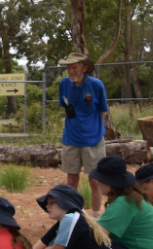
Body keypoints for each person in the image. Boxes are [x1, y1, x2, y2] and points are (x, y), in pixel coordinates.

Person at [58, 53, 109, 218]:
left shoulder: (96, 85)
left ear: (84, 68)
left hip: (92, 139)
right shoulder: (64, 84)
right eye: (68, 68)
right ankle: (74, 216)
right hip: (71, 138)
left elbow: (103, 111)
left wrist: (93, 129)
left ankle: (95, 217)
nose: (71, 71)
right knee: (71, 180)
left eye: (74, 67)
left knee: (94, 180)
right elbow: (65, 107)